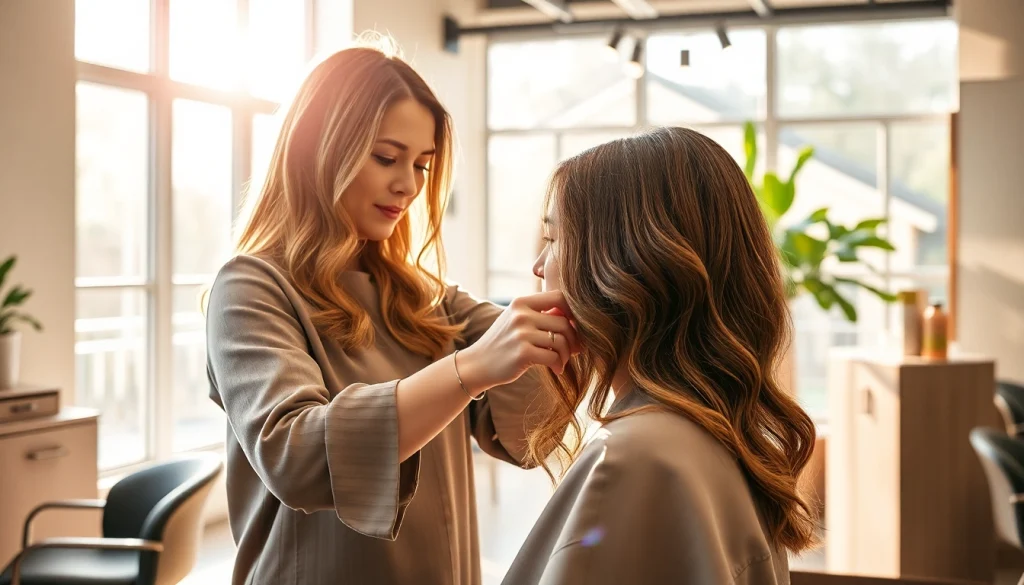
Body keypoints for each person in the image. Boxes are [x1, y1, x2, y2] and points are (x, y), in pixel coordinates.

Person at [204, 39, 578, 585]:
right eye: (386, 157)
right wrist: (468, 369)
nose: (408, 184)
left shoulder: (424, 297)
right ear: (319, 149)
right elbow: (294, 454)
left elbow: (527, 433)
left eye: (422, 164)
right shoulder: (251, 288)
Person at [502, 127, 820, 584]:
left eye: (553, 240)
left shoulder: (636, 458)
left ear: (621, 265)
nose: (539, 267)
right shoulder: (715, 431)